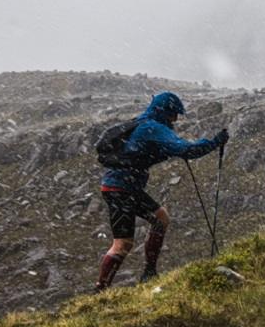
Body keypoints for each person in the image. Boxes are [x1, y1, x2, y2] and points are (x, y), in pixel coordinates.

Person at [95, 91, 228, 292]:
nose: (175, 119)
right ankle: (142, 275)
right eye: (174, 114)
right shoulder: (153, 128)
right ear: (166, 111)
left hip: (114, 186)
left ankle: (107, 287)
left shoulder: (141, 123)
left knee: (130, 237)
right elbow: (188, 150)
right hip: (124, 188)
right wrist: (214, 142)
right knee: (135, 235)